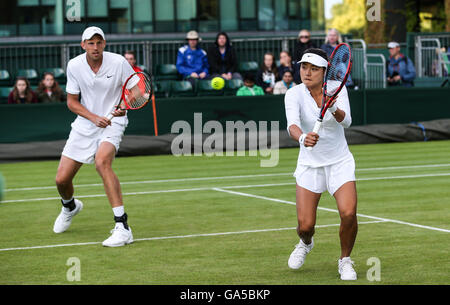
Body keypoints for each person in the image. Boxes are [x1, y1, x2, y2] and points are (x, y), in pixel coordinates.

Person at [53, 26, 137, 247]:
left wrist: (125, 106)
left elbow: (139, 90)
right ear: (83, 45)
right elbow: (72, 102)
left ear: (104, 44)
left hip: (114, 121)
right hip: (86, 123)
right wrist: (93, 117)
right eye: (90, 43)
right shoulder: (74, 65)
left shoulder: (119, 62)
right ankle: (70, 206)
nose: (95, 47)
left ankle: (122, 226)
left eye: (99, 42)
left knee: (102, 163)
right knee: (61, 180)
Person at [284, 48, 358, 280]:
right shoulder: (293, 94)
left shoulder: (339, 88)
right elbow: (292, 125)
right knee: (305, 226)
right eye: (304, 67)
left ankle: (345, 260)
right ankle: (305, 243)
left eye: (314, 68)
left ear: (324, 72)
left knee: (348, 213)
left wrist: (333, 106)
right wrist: (303, 138)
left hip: (340, 162)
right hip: (309, 165)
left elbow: (347, 122)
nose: (307, 72)